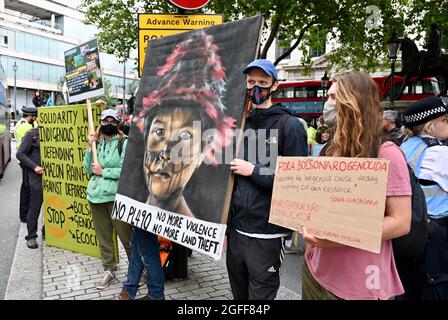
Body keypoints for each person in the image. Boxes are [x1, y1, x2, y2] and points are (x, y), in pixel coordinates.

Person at [117, 30, 235, 300]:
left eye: (183, 138)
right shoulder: (139, 197)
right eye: (158, 132)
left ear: (202, 150)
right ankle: (130, 289)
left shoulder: (193, 219)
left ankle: (154, 295)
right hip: (141, 212)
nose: (165, 153)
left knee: (147, 252)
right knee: (139, 247)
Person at [302, 71, 412, 300]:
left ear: (353, 102)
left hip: (358, 285)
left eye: (333, 98)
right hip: (316, 273)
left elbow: (401, 222)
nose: (326, 104)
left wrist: (336, 237)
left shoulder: (387, 153)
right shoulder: (331, 149)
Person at [226, 59, 308, 300]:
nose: (256, 88)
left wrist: (254, 170)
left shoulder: (290, 125)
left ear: (274, 86)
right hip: (237, 231)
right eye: (251, 82)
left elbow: (298, 181)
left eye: (262, 83)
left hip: (268, 234)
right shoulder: (242, 123)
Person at [400, 96, 448, 299]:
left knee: (406, 289)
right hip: (435, 234)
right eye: (445, 119)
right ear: (430, 125)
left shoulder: (403, 148)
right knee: (435, 290)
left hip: (406, 232)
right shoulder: (440, 153)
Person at [83, 108, 132, 290]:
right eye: (105, 121)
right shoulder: (96, 143)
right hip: (95, 197)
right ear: (100, 122)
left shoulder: (124, 143)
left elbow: (127, 170)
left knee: (126, 238)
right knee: (103, 238)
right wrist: (89, 148)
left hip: (115, 198)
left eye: (112, 121)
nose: (108, 124)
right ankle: (109, 269)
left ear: (118, 123)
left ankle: (138, 269)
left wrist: (104, 172)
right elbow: (87, 169)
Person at [16, 126, 44, 249]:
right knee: (35, 206)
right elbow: (20, 154)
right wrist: (35, 167)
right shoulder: (32, 134)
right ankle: (31, 236)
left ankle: (48, 231)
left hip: (54, 177)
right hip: (36, 177)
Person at [15, 107, 38, 223]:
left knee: (25, 187)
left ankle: (24, 214)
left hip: (23, 160)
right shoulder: (27, 127)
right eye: (35, 117)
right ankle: (25, 215)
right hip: (26, 160)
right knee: (27, 188)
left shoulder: (20, 123)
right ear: (32, 117)